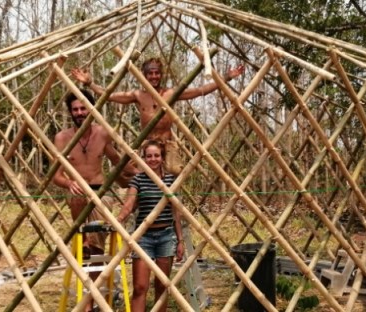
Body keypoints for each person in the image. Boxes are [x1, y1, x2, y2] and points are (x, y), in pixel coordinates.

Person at [71, 58, 244, 176]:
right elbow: (108, 95)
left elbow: (200, 91)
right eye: (150, 73)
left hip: (167, 144)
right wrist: (89, 83)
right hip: (147, 145)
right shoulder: (138, 95)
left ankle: (172, 214)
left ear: (161, 75)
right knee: (136, 177)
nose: (154, 76)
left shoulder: (170, 93)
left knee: (173, 175)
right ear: (144, 75)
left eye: (157, 73)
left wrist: (227, 77)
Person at [52, 89, 126, 312]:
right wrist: (68, 183)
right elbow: (55, 175)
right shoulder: (62, 138)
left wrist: (137, 177)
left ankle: (92, 296)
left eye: (83, 108)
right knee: (77, 200)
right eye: (75, 109)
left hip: (100, 192)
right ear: (70, 112)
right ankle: (86, 243)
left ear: (91, 109)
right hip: (77, 194)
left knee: (95, 249)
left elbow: (118, 162)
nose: (79, 112)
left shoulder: (102, 133)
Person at [115, 140, 183, 312]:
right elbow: (129, 205)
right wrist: (118, 219)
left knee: (162, 285)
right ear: (143, 159)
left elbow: (176, 213)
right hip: (143, 237)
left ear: (162, 158)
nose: (153, 159)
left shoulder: (170, 180)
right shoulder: (138, 180)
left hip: (166, 236)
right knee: (140, 287)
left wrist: (180, 240)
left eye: (156, 156)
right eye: (149, 156)